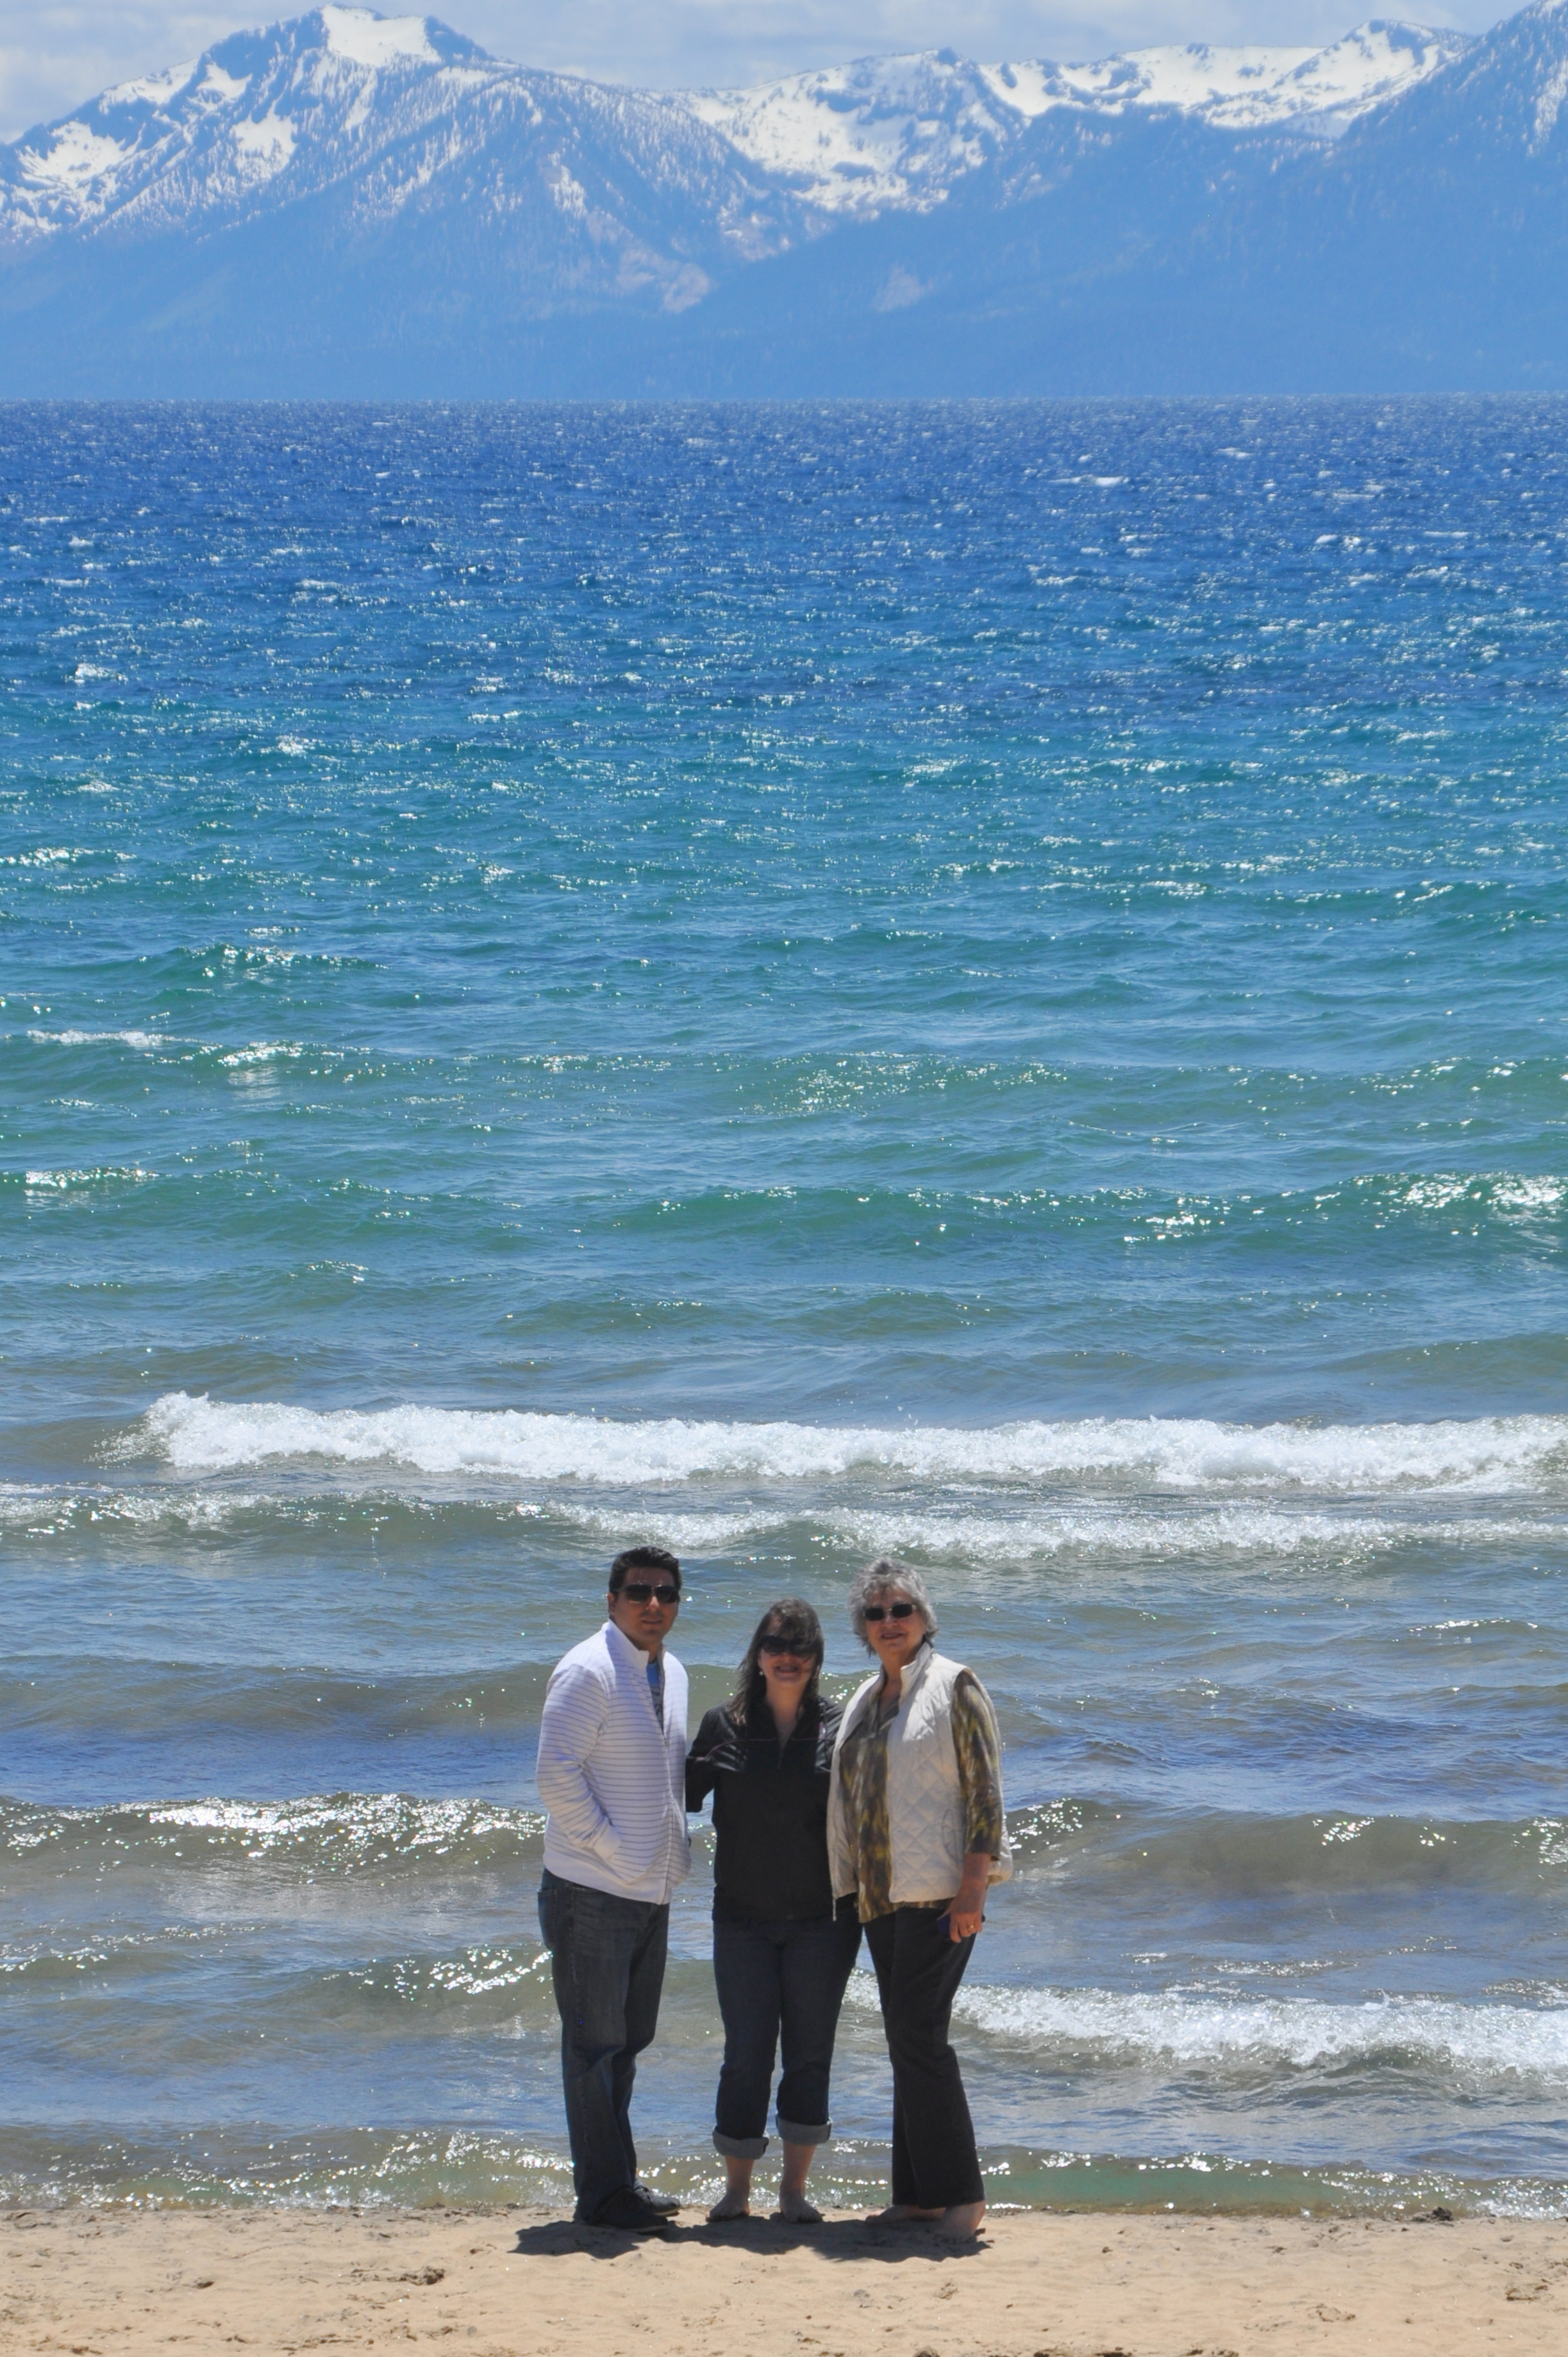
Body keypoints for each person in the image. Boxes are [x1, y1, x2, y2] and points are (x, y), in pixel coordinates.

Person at [827, 1557, 1009, 2242]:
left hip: (939, 1893)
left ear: (925, 1617)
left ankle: (962, 2194)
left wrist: (972, 1889)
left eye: (901, 1608)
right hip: (879, 1894)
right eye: (875, 1612)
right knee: (903, 2038)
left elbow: (985, 1792)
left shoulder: (954, 1685)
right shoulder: (865, 1698)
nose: (888, 1621)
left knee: (918, 2036)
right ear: (862, 1627)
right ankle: (919, 2196)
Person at [687, 1599, 862, 2224]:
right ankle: (737, 2190)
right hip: (741, 1920)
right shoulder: (723, 1724)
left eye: (801, 1647)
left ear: (817, 1658)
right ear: (757, 1655)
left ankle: (792, 2191)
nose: (788, 1658)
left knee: (810, 2054)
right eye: (776, 1646)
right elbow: (673, 1795)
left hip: (825, 1920)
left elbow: (874, 1812)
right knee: (746, 2055)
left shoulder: (841, 1727)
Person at [535, 1545, 690, 2233]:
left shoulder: (672, 1672)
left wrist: (670, 1854)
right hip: (590, 1890)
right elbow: (554, 1774)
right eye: (638, 1592)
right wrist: (613, 1848)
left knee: (628, 2041)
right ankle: (601, 2196)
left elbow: (667, 1775)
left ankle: (617, 2181)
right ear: (611, 1600)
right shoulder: (588, 1669)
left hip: (650, 1891)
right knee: (594, 2045)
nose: (653, 1604)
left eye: (666, 1593)